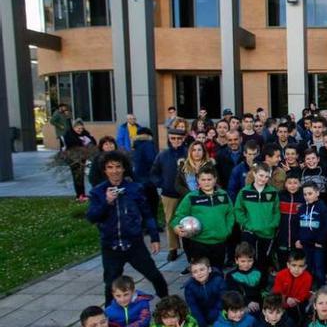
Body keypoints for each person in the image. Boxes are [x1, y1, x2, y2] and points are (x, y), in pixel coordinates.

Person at [86, 151, 169, 305]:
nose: (114, 171)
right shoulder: (98, 191)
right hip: (111, 246)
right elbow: (92, 216)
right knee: (110, 283)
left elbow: (147, 214)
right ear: (105, 170)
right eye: (110, 167)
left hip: (134, 244)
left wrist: (154, 237)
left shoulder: (134, 189)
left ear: (124, 168)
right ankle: (110, 316)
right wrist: (106, 201)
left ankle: (168, 303)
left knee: (154, 275)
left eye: (118, 167)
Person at [171, 165, 234, 270]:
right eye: (203, 179)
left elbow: (230, 214)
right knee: (201, 273)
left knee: (217, 272)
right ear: (198, 181)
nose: (206, 182)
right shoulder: (191, 197)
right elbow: (179, 215)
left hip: (219, 242)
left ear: (215, 180)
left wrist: (227, 230)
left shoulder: (223, 195)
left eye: (209, 179)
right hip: (199, 243)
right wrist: (176, 226)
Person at [234, 162, 281, 279]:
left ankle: (262, 286)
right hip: (250, 232)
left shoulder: (272, 192)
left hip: (267, 232)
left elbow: (277, 211)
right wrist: (246, 224)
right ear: (254, 174)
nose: (263, 179)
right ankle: (247, 283)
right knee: (248, 259)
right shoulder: (244, 192)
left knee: (263, 261)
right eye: (261, 175)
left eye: (266, 176)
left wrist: (273, 224)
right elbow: (238, 210)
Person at [151, 128, 189, 261]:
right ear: (169, 139)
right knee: (171, 221)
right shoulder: (163, 155)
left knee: (187, 221)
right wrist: (162, 183)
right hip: (169, 194)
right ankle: (173, 248)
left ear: (183, 139)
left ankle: (188, 247)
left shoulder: (188, 153)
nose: (176, 141)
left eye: (179, 138)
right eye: (173, 138)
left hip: (186, 194)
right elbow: (154, 173)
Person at [298, 182, 327, 287]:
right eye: (305, 194)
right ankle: (308, 290)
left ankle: (322, 290)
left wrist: (320, 241)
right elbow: (298, 225)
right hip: (305, 244)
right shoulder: (302, 208)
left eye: (310, 193)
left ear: (317, 193)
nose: (307, 197)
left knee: (319, 268)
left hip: (318, 245)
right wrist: (299, 239)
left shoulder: (323, 208)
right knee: (307, 268)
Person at [62, 119, 97, 202]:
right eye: (78, 128)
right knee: (77, 176)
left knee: (84, 176)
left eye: (81, 128)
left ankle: (83, 194)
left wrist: (89, 138)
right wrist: (82, 141)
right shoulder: (69, 134)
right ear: (74, 127)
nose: (80, 130)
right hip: (74, 158)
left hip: (84, 158)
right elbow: (71, 143)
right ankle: (79, 195)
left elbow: (93, 142)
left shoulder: (85, 133)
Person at [226, 242, 263, 313]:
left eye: (250, 261)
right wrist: (247, 303)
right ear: (236, 261)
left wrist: (260, 303)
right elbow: (234, 294)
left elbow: (261, 290)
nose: (246, 264)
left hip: (258, 304)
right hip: (242, 305)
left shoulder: (258, 272)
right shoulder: (231, 275)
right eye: (243, 261)